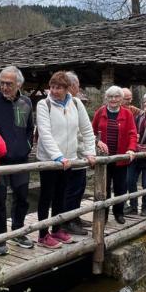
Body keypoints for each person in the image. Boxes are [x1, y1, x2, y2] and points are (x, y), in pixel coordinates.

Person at [35, 70, 96, 248]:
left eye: (59, 88)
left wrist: (90, 152)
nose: (54, 91)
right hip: (50, 160)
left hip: (68, 160)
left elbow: (86, 130)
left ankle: (57, 229)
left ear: (67, 88)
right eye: (52, 87)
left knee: (61, 196)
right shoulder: (43, 104)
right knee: (46, 196)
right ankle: (42, 234)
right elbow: (45, 134)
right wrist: (57, 156)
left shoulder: (76, 103)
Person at [0, 66, 35, 256]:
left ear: (18, 84)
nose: (4, 87)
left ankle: (19, 232)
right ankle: (0, 238)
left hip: (20, 160)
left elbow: (29, 128)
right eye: (2, 83)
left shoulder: (26, 102)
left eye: (9, 84)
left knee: (22, 198)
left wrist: (26, 145)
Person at [91, 86, 137, 225]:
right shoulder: (100, 112)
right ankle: (103, 214)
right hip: (103, 159)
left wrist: (131, 149)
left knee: (120, 187)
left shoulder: (127, 114)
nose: (113, 99)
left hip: (120, 158)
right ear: (106, 98)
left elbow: (132, 133)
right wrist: (97, 142)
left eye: (116, 97)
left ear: (121, 99)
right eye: (110, 97)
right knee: (103, 188)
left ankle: (119, 213)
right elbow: (91, 132)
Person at [62, 71, 89, 235]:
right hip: (73, 155)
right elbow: (76, 131)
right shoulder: (66, 104)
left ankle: (76, 216)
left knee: (80, 188)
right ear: (72, 86)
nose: (79, 88)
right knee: (71, 190)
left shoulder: (77, 103)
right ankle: (68, 221)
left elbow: (85, 128)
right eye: (78, 85)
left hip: (81, 156)